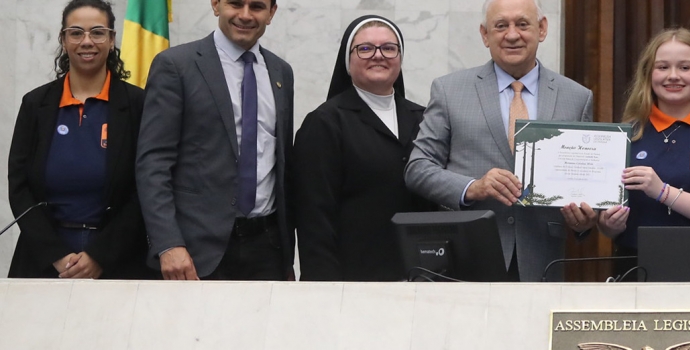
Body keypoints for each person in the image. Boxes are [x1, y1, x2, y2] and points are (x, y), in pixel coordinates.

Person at [406, 0, 595, 282]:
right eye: (501, 26)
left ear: (542, 29)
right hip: (468, 254)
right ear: (485, 35)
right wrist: (474, 187)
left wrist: (584, 220)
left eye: (522, 24)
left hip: (542, 259)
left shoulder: (577, 97)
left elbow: (585, 180)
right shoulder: (449, 90)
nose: (512, 34)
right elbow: (418, 169)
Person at [136, 0, 295, 280]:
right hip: (196, 252)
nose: (245, 15)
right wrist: (168, 243)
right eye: (235, 3)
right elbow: (153, 163)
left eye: (257, 6)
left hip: (268, 248)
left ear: (271, 13)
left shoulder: (281, 72)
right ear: (216, 5)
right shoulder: (176, 65)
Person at [577, 28, 690, 276]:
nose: (673, 76)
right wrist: (609, 225)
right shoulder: (626, 136)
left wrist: (662, 191)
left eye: (684, 67)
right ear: (648, 75)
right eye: (662, 67)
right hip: (634, 267)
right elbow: (609, 225)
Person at [7, 0, 151, 279]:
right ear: (63, 40)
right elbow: (19, 186)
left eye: (97, 32)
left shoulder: (138, 104)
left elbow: (146, 186)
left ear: (111, 40)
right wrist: (55, 255)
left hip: (118, 261)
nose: (87, 41)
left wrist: (100, 256)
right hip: (43, 260)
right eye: (76, 32)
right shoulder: (36, 104)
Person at [293, 15, 431, 281]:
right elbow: (314, 219)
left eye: (389, 48)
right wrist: (324, 287)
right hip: (352, 280)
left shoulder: (424, 119)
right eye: (365, 48)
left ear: (400, 58)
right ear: (347, 60)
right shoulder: (325, 123)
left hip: (421, 277)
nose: (378, 55)